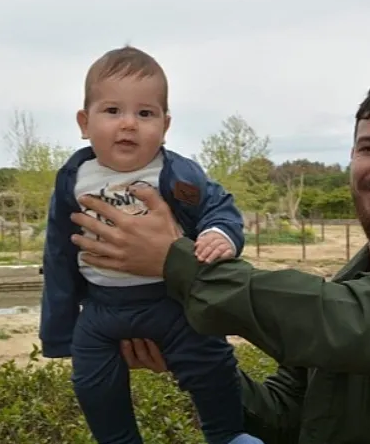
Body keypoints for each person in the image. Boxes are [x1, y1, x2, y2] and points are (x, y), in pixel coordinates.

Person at [68, 72, 370, 443]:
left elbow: (351, 324)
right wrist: (185, 357)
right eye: (369, 148)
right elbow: (284, 416)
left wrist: (177, 261)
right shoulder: (349, 284)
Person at [39, 45, 263, 444]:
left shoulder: (176, 174)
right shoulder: (73, 178)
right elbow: (58, 253)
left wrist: (218, 235)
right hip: (101, 312)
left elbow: (220, 207)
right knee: (93, 385)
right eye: (112, 111)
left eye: (145, 113)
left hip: (171, 304)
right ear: (84, 121)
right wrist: (59, 333)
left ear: (165, 124)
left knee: (212, 365)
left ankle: (229, 436)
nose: (129, 125)